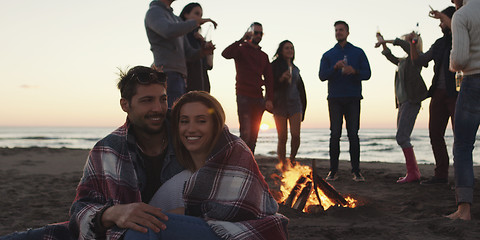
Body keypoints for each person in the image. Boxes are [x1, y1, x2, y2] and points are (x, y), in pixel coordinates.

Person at [0, 66, 185, 240]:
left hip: (173, 229)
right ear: (125, 105)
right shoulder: (107, 149)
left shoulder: (188, 136)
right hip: (113, 232)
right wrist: (113, 213)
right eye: (147, 100)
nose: (158, 108)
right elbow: (80, 210)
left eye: (162, 99)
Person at [124, 91, 289, 239]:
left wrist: (186, 211)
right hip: (205, 230)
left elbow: (243, 209)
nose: (191, 129)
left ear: (215, 124)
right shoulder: (179, 181)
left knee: (142, 229)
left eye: (201, 121)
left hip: (243, 232)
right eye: (184, 121)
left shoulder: (235, 151)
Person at [409, 7, 457, 185]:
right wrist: (413, 43)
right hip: (437, 93)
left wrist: (442, 15)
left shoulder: (461, 38)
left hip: (457, 94)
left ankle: (460, 178)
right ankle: (441, 175)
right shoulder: (439, 43)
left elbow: (456, 29)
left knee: (459, 137)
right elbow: (418, 60)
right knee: (435, 134)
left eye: (442, 21)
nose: (439, 24)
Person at [319, 20, 371, 182]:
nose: (338, 33)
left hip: (353, 98)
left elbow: (367, 74)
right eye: (336, 30)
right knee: (335, 135)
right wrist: (334, 68)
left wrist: (354, 70)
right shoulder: (328, 55)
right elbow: (322, 76)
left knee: (353, 135)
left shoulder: (358, 52)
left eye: (341, 30)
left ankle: (356, 171)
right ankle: (333, 171)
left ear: (347, 32)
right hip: (334, 98)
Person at [376, 32, 428, 183]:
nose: (406, 44)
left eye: (409, 41)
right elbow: (390, 56)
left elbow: (405, 45)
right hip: (403, 103)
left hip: (411, 102)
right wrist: (382, 42)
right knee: (402, 137)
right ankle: (413, 172)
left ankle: (413, 173)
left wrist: (388, 40)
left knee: (402, 137)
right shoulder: (404, 61)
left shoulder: (416, 58)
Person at [145, 0, 216, 107]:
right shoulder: (154, 12)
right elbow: (167, 30)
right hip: (167, 73)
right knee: (171, 115)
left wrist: (203, 52)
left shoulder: (176, 19)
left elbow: (189, 54)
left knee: (177, 115)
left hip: (181, 77)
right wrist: (196, 22)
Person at [447, 0, 480, 221]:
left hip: (473, 82)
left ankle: (464, 210)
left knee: (463, 146)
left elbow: (459, 59)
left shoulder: (462, 15)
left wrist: (452, 63)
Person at [222, 22, 274, 154]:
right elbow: (225, 54)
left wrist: (269, 99)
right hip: (243, 96)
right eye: (256, 32)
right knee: (245, 134)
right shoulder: (241, 49)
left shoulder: (263, 56)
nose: (258, 35)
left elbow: (269, 79)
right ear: (249, 32)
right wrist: (241, 39)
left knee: (254, 137)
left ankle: (249, 162)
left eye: (260, 33)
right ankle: (240, 162)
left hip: (258, 98)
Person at [271, 40, 307, 171]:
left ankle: (292, 159)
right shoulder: (274, 66)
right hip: (279, 105)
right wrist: (281, 79)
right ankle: (282, 164)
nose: (290, 50)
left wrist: (304, 108)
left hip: (295, 105)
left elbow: (301, 90)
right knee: (282, 137)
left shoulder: (296, 69)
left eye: (291, 48)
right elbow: (271, 85)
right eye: (287, 48)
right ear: (281, 50)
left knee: (296, 135)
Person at [180, 3, 213, 93]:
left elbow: (209, 65)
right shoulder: (181, 36)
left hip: (202, 86)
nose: (200, 18)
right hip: (186, 86)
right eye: (196, 14)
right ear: (186, 15)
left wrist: (206, 48)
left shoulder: (199, 39)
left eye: (201, 15)